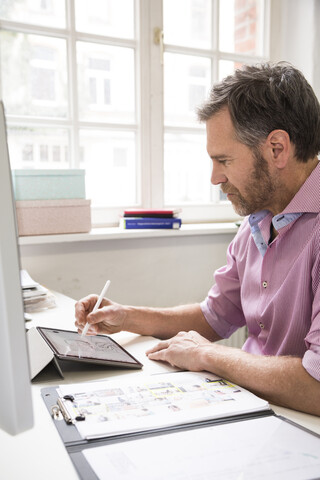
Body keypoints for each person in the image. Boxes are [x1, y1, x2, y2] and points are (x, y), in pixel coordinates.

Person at [75, 62, 320, 416]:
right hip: (256, 408)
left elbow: (316, 387)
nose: (214, 177)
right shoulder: (257, 221)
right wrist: (127, 317)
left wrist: (207, 354)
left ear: (277, 149)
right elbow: (215, 317)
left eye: (223, 160)